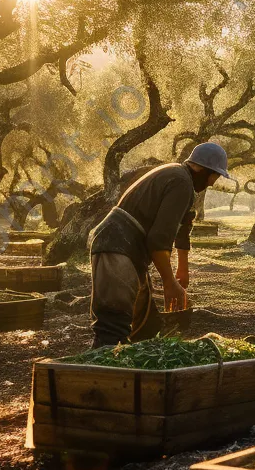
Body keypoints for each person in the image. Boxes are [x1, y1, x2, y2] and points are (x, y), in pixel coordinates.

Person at [87, 143, 234, 348]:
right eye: (215, 176)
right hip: (116, 247)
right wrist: (169, 282)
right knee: (112, 329)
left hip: (128, 250)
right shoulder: (180, 182)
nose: (212, 183)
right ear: (203, 169)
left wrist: (182, 269)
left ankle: (137, 376)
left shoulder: (180, 179)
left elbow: (183, 227)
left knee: (146, 327)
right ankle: (91, 376)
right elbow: (157, 240)